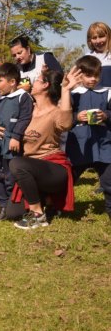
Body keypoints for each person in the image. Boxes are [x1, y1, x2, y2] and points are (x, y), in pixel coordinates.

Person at [7, 67, 79, 229]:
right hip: (31, 169)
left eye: (38, 80)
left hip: (53, 169)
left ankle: (38, 214)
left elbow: (66, 123)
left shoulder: (55, 112)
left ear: (46, 85)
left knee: (17, 164)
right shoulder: (27, 110)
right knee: (12, 213)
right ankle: (47, 200)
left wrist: (66, 90)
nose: (33, 83)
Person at [0, 63, 33, 221]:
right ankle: (2, 201)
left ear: (12, 82)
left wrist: (16, 136)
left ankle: (13, 202)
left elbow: (25, 118)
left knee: (10, 175)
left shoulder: (23, 97)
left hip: (12, 142)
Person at [66, 56, 111, 220]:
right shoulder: (73, 94)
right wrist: (77, 117)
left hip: (104, 145)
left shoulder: (107, 92)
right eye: (88, 75)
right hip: (80, 145)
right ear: (80, 75)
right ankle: (59, 206)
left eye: (96, 75)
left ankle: (109, 208)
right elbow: (64, 118)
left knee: (108, 180)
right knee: (69, 177)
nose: (93, 79)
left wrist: (105, 115)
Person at [86, 22, 111, 87]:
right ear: (90, 40)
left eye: (101, 36)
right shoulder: (87, 58)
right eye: (94, 38)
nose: (98, 41)